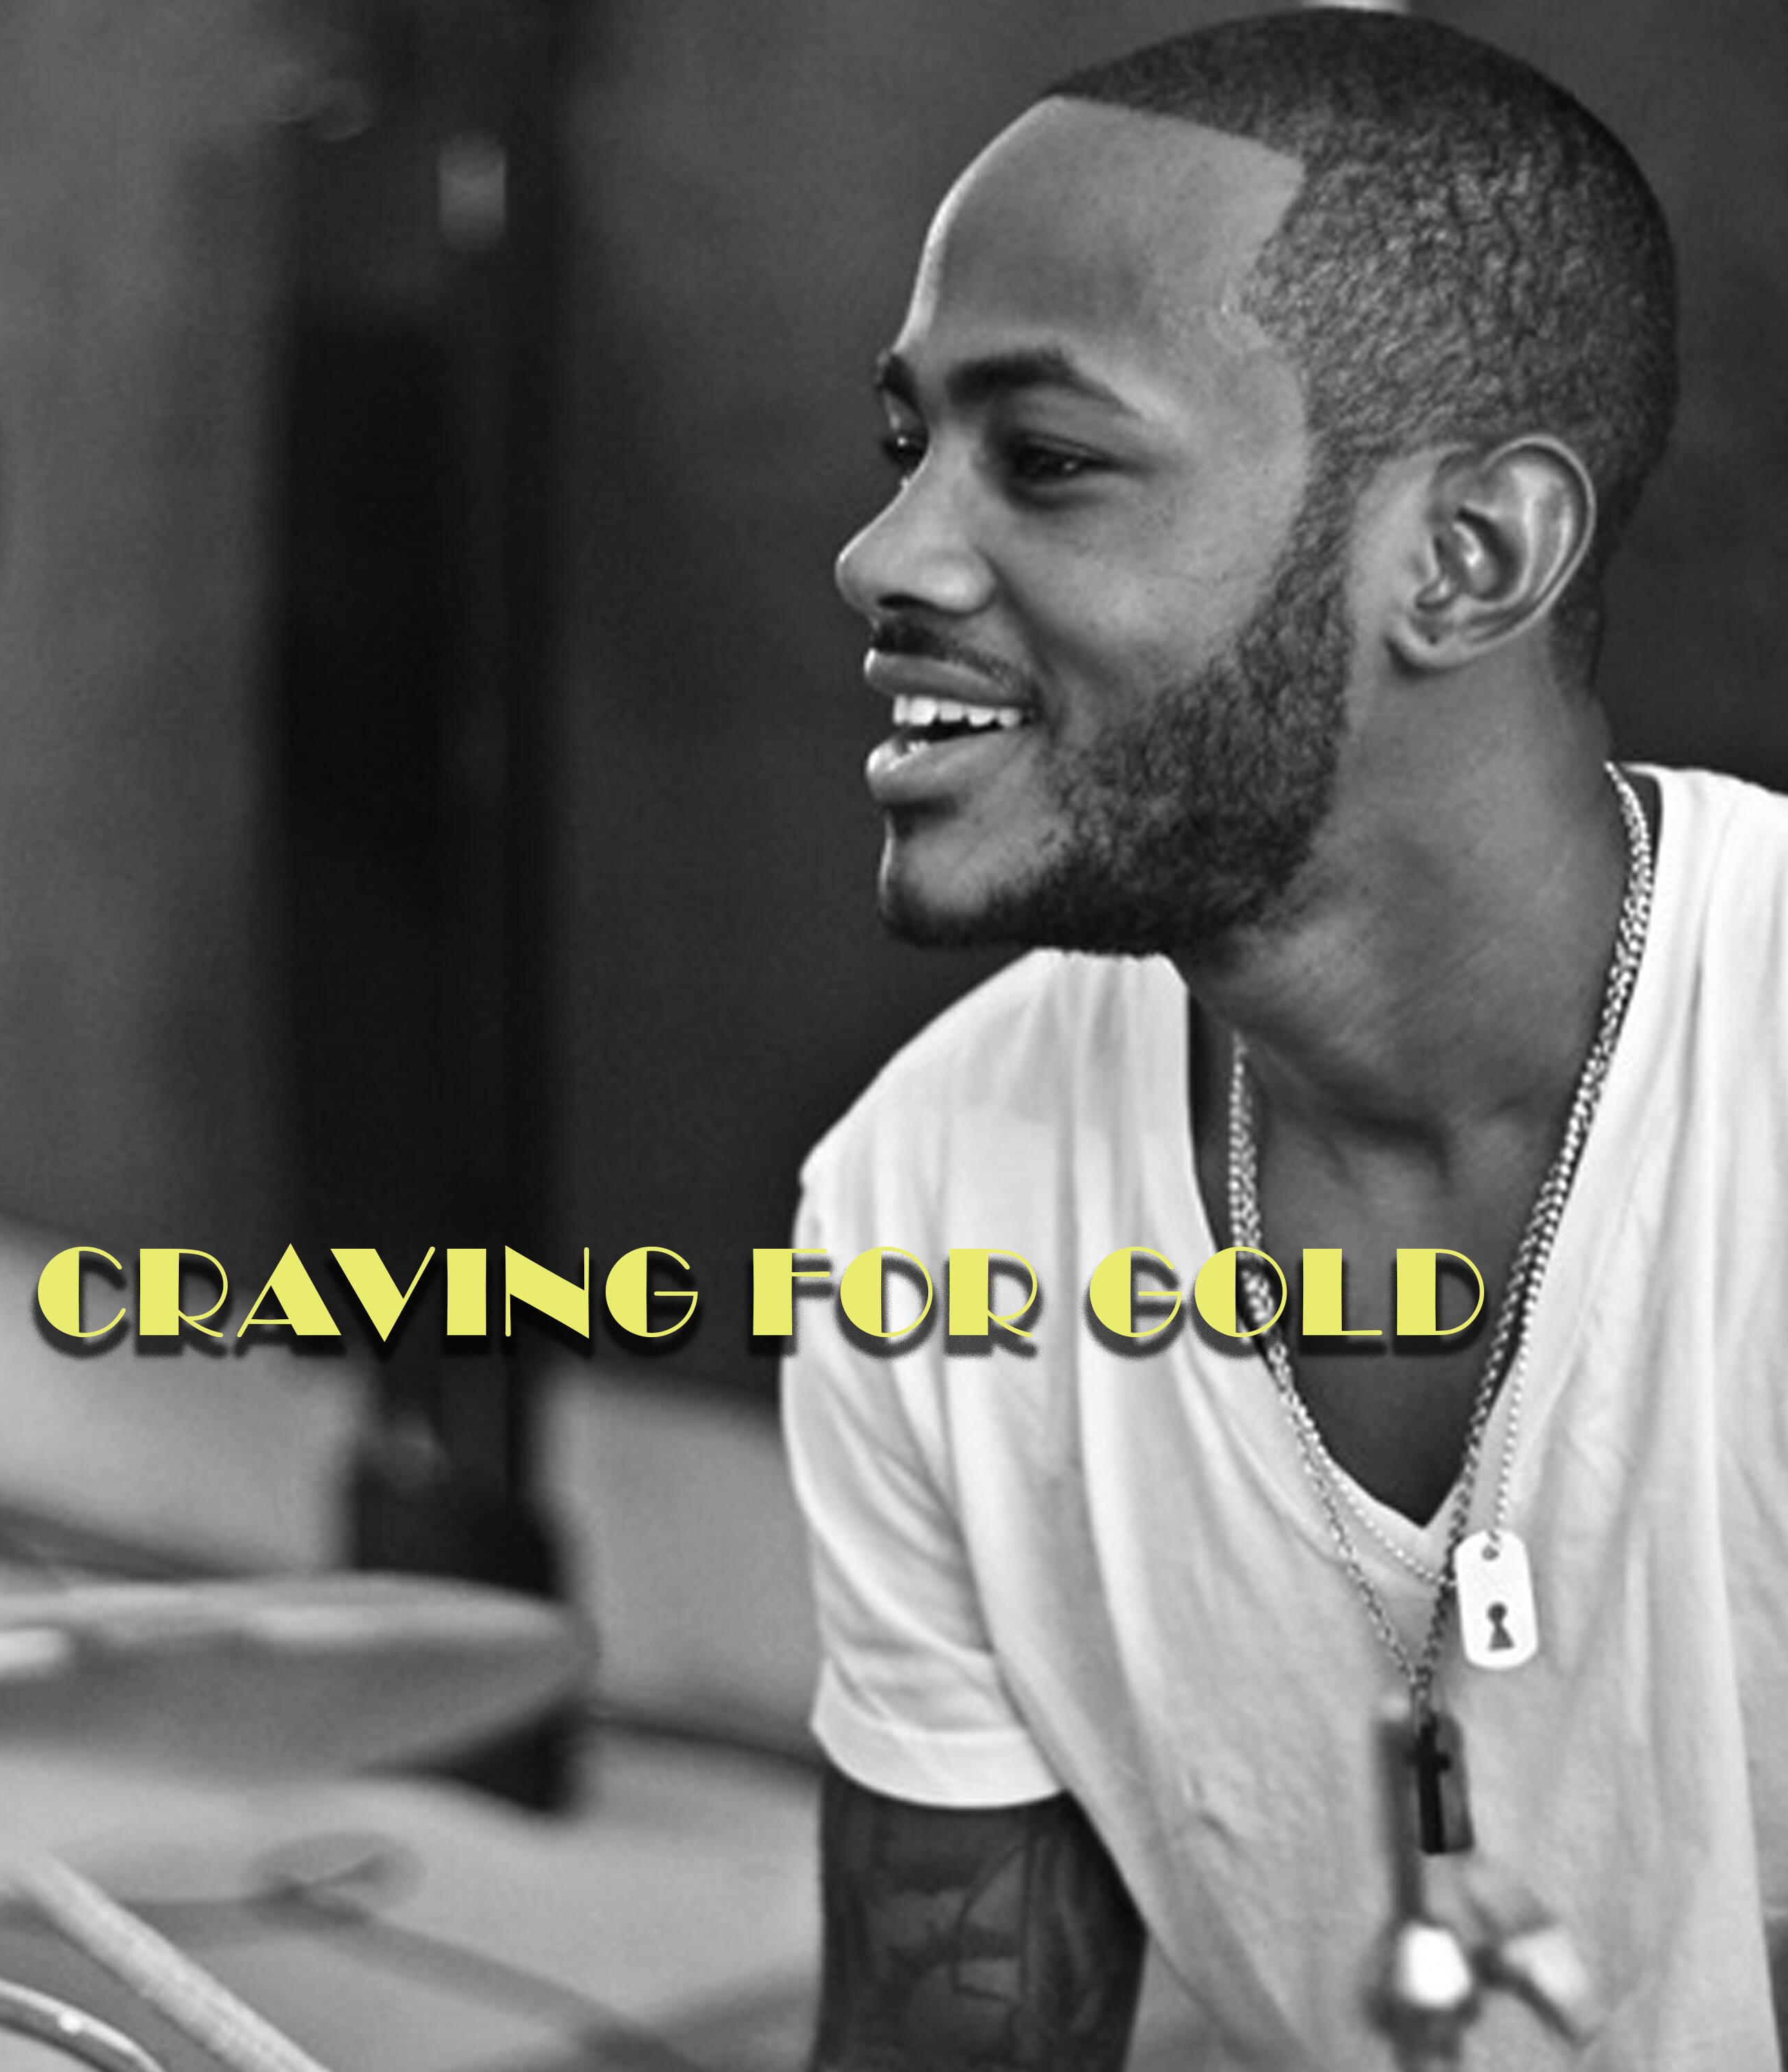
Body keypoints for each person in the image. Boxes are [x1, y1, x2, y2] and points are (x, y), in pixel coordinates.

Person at [778, 11, 1788, 2069]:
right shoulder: (926, 1194)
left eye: (1048, 460)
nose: (886, 556)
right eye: (910, 449)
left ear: (1468, 559)